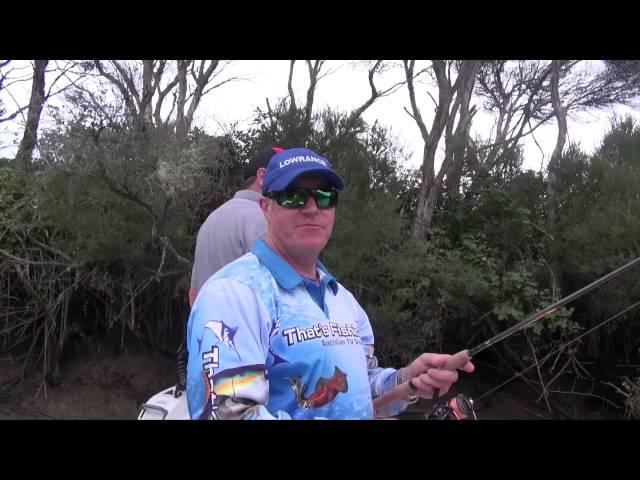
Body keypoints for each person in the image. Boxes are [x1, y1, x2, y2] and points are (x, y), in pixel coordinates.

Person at [185, 147, 474, 420]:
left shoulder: (343, 300)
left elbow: (362, 389)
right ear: (266, 207)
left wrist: (407, 379)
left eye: (324, 196)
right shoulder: (233, 294)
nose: (312, 207)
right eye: (294, 196)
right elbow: (227, 412)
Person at [188, 146, 284, 307]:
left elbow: (194, 293)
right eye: (286, 177)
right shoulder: (265, 219)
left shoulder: (211, 220)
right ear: (262, 177)